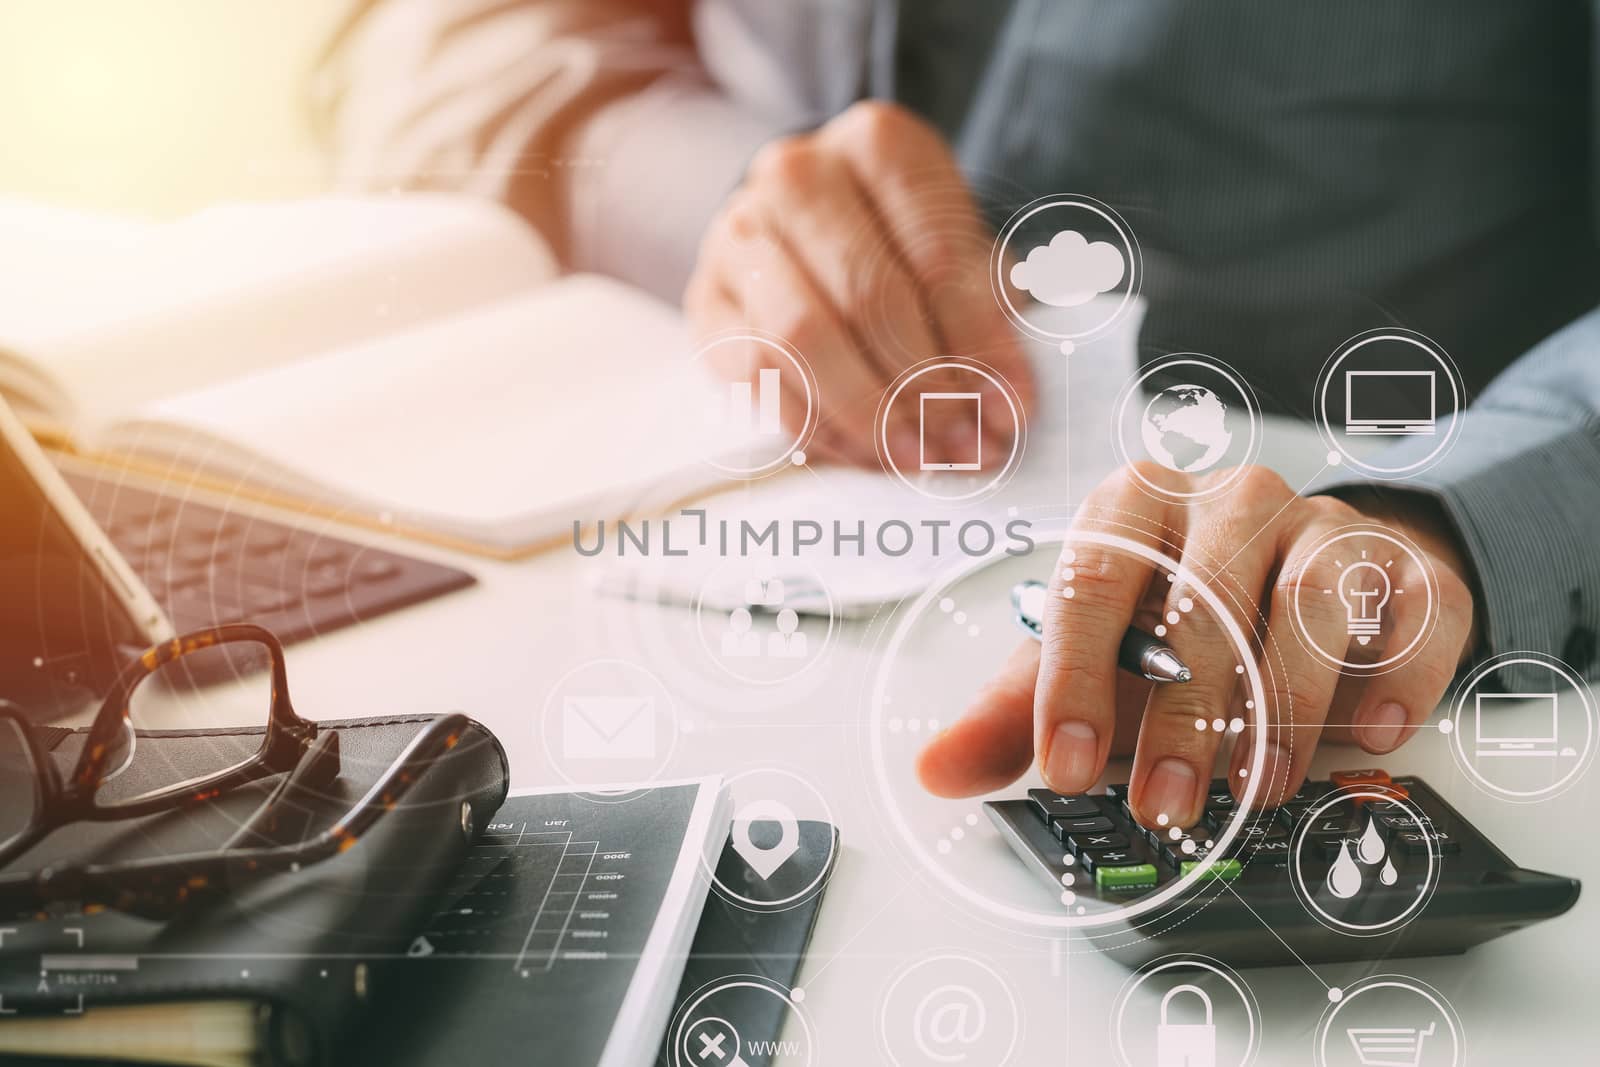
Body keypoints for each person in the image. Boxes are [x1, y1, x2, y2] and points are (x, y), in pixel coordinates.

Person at [317, 0, 1600, 829]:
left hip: (1365, 631)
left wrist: (1449, 517)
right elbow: (420, 43)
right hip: (669, 576)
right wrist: (712, 194)